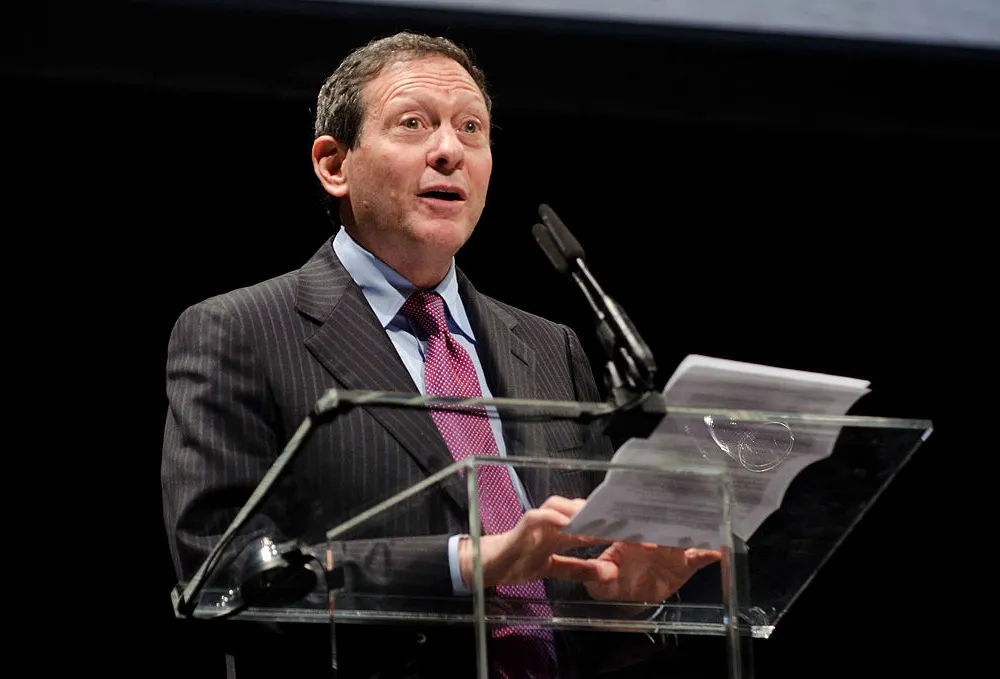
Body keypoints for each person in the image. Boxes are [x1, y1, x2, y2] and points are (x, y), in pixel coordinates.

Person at [161, 31, 720, 679]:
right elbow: (221, 577)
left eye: (472, 128)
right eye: (413, 123)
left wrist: (628, 604)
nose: (450, 150)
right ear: (334, 164)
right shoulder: (240, 332)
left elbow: (575, 594)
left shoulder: (550, 347)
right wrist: (464, 562)